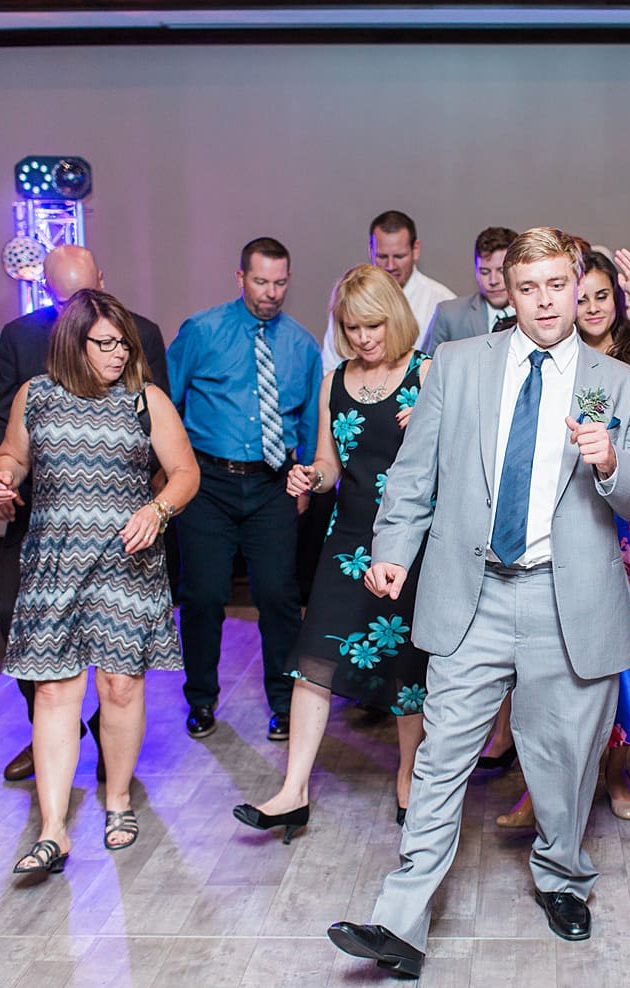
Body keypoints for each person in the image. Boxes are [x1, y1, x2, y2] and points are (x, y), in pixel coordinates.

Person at [327, 227, 630, 978]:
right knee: (442, 756)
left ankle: (563, 873)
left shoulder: (619, 383)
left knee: (563, 760)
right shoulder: (458, 364)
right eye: (528, 286)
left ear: (579, 285)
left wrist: (609, 460)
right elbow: (414, 472)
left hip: (564, 599)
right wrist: (390, 549)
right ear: (504, 290)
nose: (544, 301)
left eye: (556, 285)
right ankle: (399, 917)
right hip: (470, 593)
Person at [494, 247, 630, 826]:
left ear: (618, 299)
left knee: (622, 651)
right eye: (581, 294)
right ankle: (541, 787)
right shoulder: (551, 352)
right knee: (553, 650)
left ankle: (615, 770)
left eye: (602, 295)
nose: (591, 307)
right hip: (574, 513)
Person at [0, 289, 199, 874]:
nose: (117, 353)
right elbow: (11, 456)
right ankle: (53, 828)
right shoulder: (36, 397)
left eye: (123, 342)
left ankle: (119, 799)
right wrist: (0, 480)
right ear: (71, 343)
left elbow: (184, 472)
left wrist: (157, 511)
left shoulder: (145, 400)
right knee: (55, 690)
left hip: (126, 561)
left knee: (121, 688)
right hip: (54, 561)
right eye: (104, 343)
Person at [231, 266, 431, 841]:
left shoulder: (428, 374)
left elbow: (462, 454)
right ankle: (292, 793)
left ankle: (408, 779)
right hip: (348, 542)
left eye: (372, 325)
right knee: (313, 660)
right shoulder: (335, 380)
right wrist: (308, 479)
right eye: (352, 326)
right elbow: (330, 464)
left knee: (406, 671)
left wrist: (432, 425)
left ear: (393, 317)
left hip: (413, 541)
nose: (364, 337)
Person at [0, 244, 168, 784]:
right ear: (47, 292)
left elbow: (161, 425)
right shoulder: (20, 338)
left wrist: (155, 506)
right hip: (42, 511)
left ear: (103, 282)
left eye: (85, 295)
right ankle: (52, 728)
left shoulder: (140, 333)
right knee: (13, 619)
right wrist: (0, 480)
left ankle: (112, 737)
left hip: (119, 517)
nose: (74, 308)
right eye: (63, 300)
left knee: (117, 654)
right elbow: (2, 426)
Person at [168, 237, 321, 742]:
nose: (271, 293)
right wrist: (167, 474)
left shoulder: (302, 345)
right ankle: (202, 699)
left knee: (278, 595)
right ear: (240, 278)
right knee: (204, 594)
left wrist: (301, 481)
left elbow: (307, 421)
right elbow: (165, 401)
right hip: (207, 484)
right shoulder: (202, 331)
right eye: (261, 281)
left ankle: (283, 704)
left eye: (280, 282)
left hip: (273, 485)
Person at [322, 210, 454, 369]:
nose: (390, 266)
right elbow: (331, 365)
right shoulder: (348, 300)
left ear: (416, 249)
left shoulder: (442, 302)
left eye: (399, 256)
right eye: (382, 257)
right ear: (370, 249)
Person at [423, 226, 517, 353]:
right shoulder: (450, 315)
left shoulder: (539, 312)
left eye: (501, 271)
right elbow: (427, 369)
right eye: (484, 272)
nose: (493, 281)